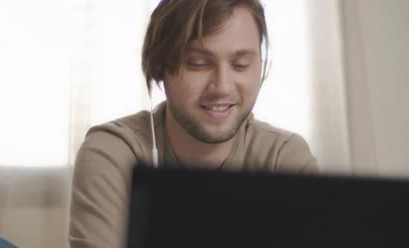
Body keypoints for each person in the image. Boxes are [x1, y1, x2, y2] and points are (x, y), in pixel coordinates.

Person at [68, 0, 318, 247]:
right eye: (198, 64)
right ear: (160, 68)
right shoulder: (114, 154)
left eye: (240, 65)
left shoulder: (283, 158)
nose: (222, 86)